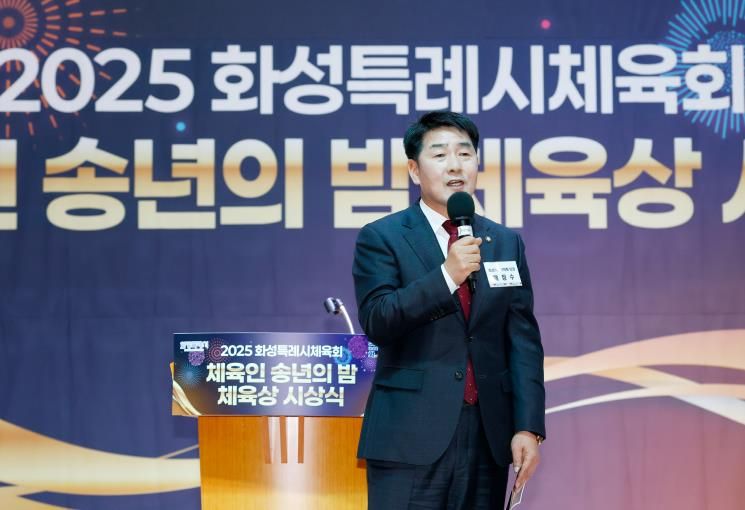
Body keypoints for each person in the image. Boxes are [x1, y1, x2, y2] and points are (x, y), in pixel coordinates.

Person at [352, 111, 546, 509]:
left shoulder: (504, 242)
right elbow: (378, 320)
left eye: (465, 153)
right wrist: (446, 276)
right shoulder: (383, 237)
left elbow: (523, 341)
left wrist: (528, 426)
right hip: (408, 436)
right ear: (414, 169)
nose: (455, 165)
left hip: (487, 438)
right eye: (440, 155)